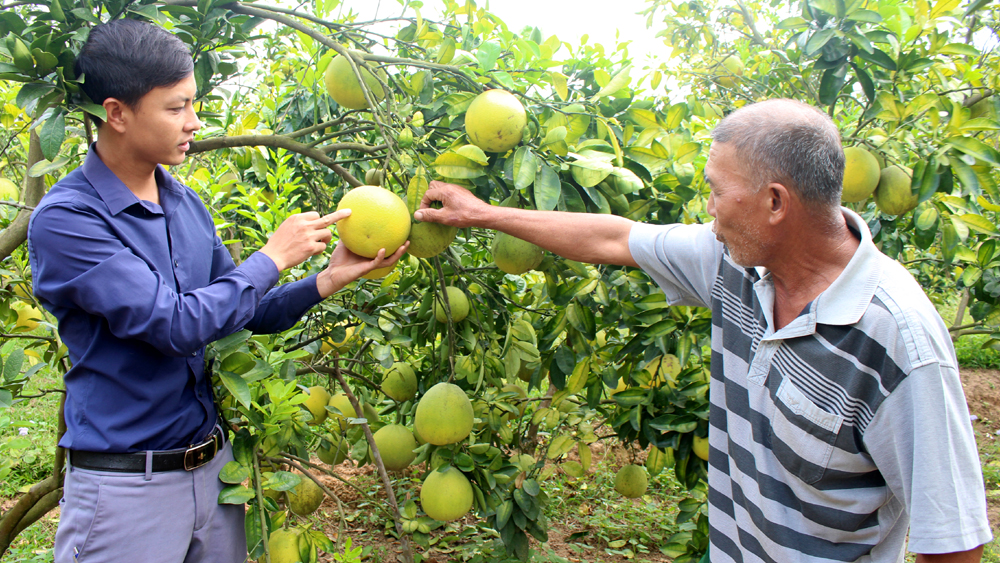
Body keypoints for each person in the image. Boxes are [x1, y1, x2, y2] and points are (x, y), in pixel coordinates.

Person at [414, 98, 991, 562]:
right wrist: (481, 214)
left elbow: (954, 543)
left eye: (716, 188)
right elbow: (615, 237)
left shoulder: (899, 344)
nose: (706, 206)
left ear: (774, 202)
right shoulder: (733, 263)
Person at [27, 19, 406, 563]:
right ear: (117, 113)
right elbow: (175, 325)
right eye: (176, 108)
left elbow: (243, 310)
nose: (194, 123)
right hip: (127, 490)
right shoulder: (68, 220)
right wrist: (271, 256)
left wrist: (326, 279)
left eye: (194, 105)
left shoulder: (182, 204)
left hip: (213, 476)